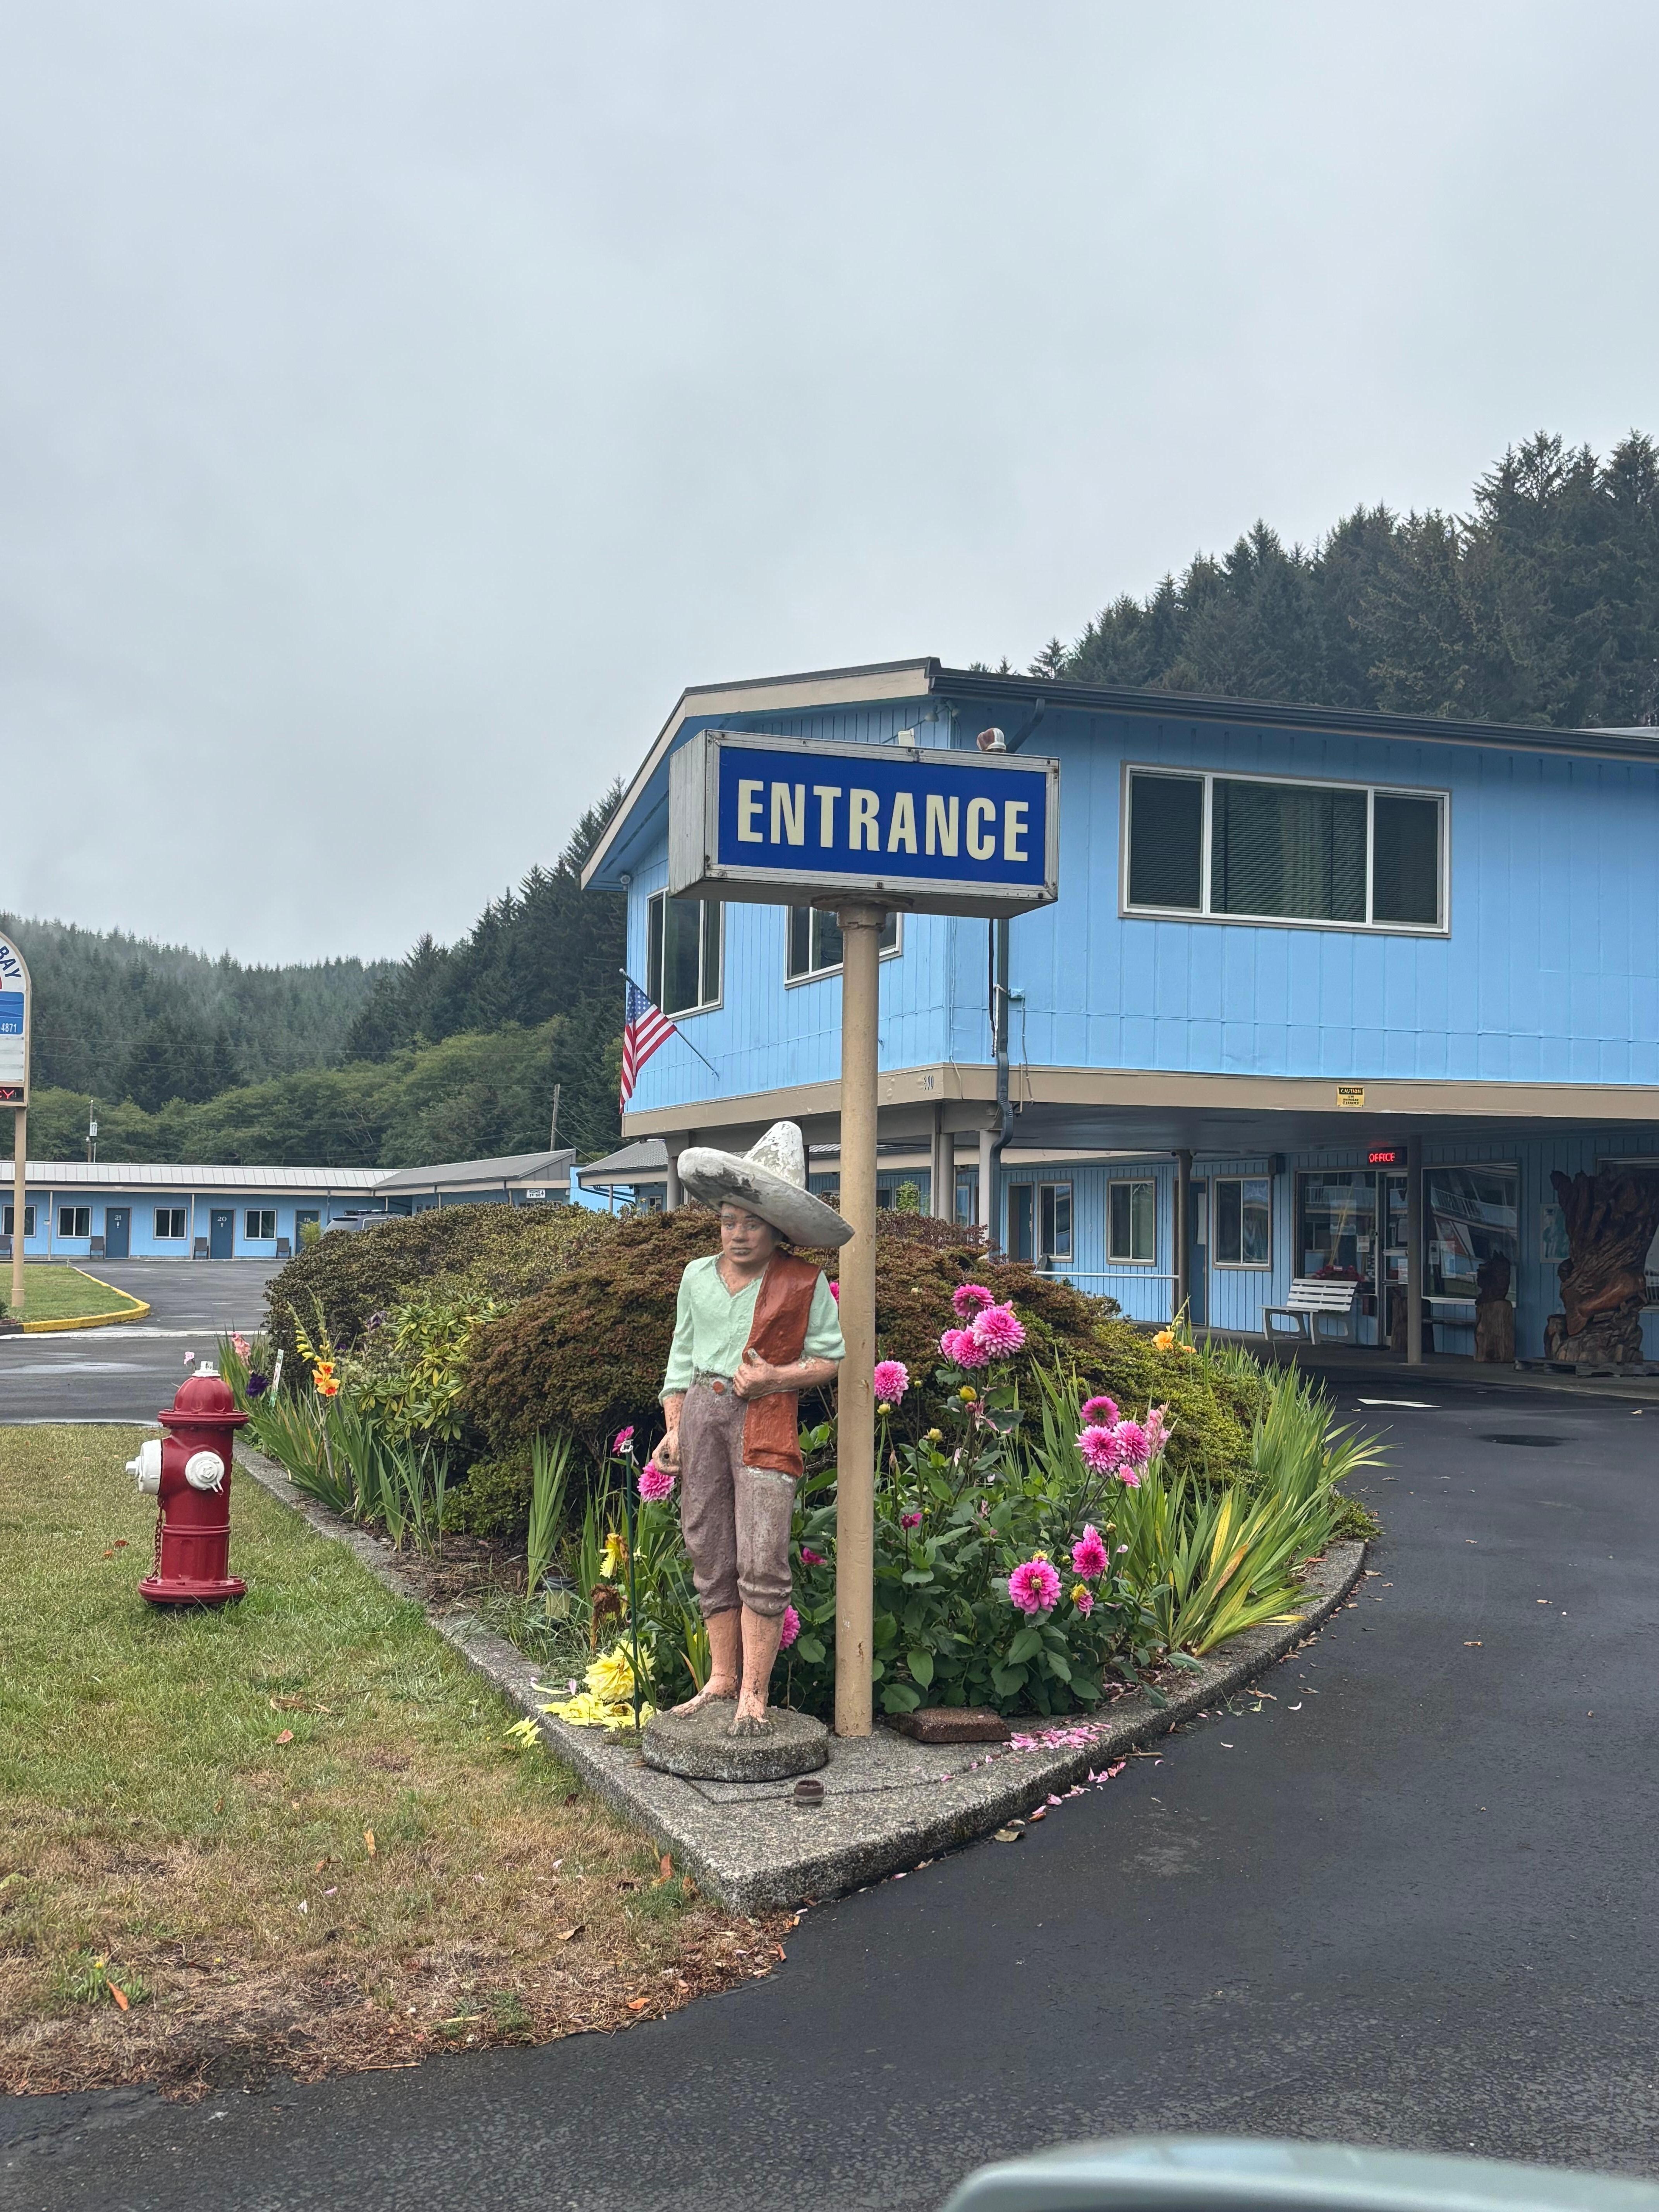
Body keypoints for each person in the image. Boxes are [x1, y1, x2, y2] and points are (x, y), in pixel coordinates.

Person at [649, 1122, 851, 1735]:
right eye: (728, 1221)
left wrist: (774, 1379)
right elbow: (680, 1361)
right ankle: (721, 1678)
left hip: (765, 1419)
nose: (738, 1235)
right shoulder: (695, 1276)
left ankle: (755, 1692)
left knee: (761, 1553)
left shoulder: (802, 1282)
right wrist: (675, 1428)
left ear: (777, 1230)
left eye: (753, 1224)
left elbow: (830, 1359)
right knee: (708, 1543)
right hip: (702, 1414)